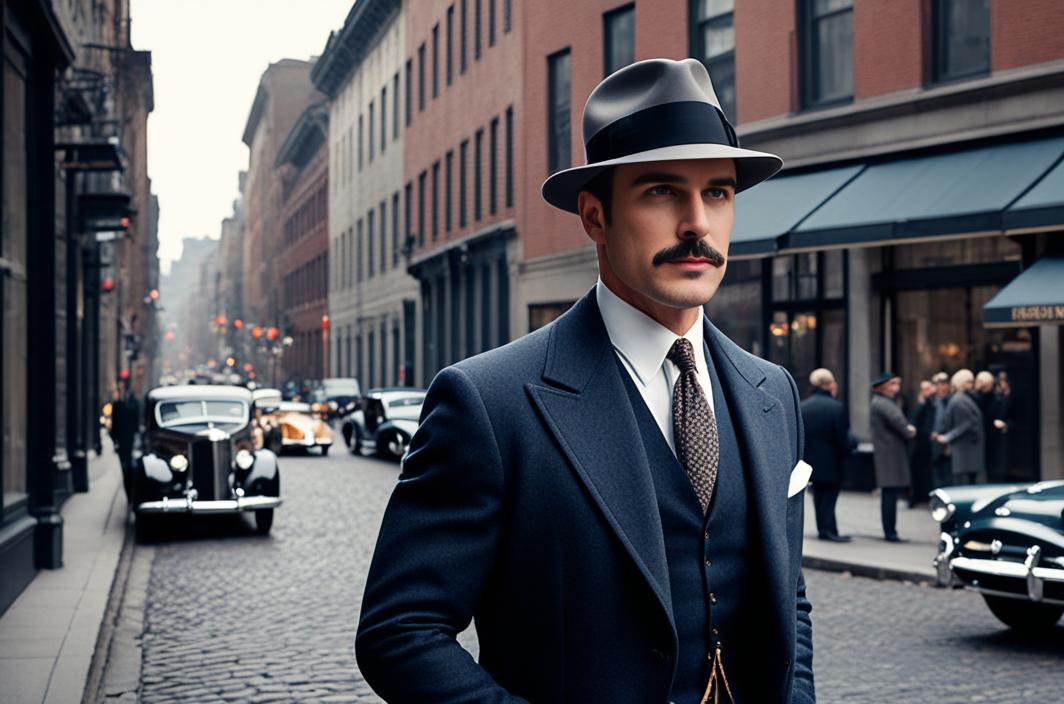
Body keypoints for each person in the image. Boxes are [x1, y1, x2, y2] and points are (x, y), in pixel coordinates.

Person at [356, 58, 815, 703]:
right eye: (661, 192)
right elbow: (399, 631)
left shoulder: (773, 393)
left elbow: (788, 601)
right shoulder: (489, 403)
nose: (698, 225)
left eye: (717, 192)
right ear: (594, 217)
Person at [801, 368, 854, 542]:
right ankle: (830, 530)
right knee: (830, 498)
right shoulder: (836, 407)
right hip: (832, 462)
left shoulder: (804, 407)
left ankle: (823, 529)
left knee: (818, 497)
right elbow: (842, 438)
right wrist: (849, 451)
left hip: (810, 462)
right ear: (830, 385)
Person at [869, 373, 916, 542]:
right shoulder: (884, 404)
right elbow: (901, 424)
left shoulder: (881, 402)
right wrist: (911, 430)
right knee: (890, 494)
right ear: (884, 387)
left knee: (890, 494)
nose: (896, 388)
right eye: (893, 384)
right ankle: (890, 532)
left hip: (888, 454)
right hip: (890, 455)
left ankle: (890, 530)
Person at [934, 368, 986, 485]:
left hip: (967, 449)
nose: (971, 384)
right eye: (969, 382)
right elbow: (965, 424)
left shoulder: (963, 398)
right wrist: (948, 437)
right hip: (964, 450)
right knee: (964, 484)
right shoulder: (959, 400)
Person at [907, 379, 937, 507]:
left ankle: (924, 496)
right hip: (919, 444)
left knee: (927, 472)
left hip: (928, 444)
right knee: (917, 472)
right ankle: (916, 497)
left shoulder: (932, 403)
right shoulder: (921, 403)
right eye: (923, 389)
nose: (925, 392)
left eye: (927, 389)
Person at [109, 388, 141, 498]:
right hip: (126, 437)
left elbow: (115, 425)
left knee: (124, 459)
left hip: (124, 438)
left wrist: (114, 439)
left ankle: (126, 477)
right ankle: (126, 478)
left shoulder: (119, 406)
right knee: (126, 459)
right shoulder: (132, 406)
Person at [929, 371, 953, 489]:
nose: (942, 387)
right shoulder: (931, 401)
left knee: (947, 473)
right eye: (939, 384)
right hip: (934, 441)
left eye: (945, 384)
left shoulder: (951, 400)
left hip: (947, 440)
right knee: (936, 472)